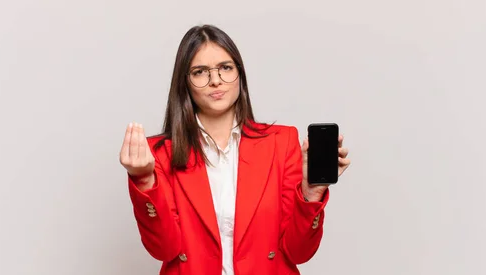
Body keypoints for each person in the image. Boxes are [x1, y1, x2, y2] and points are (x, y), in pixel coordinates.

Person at [119, 24, 351, 275]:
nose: (215, 80)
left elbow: (299, 252)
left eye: (225, 68)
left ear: (239, 73)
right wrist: (143, 180)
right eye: (200, 72)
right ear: (184, 82)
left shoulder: (281, 142)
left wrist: (311, 192)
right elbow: (164, 249)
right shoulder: (161, 154)